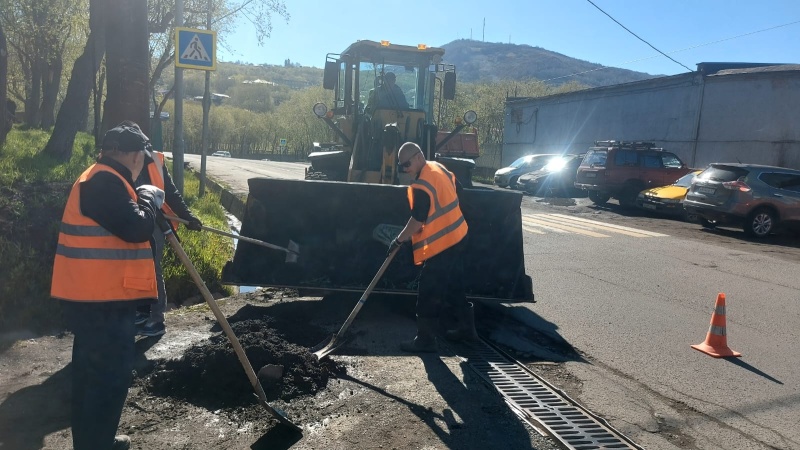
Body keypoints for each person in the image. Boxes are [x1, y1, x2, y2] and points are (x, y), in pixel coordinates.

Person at [51, 122, 165, 450]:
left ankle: (94, 441)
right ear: (131, 155)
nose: (143, 164)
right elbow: (136, 228)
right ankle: (97, 445)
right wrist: (148, 200)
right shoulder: (104, 181)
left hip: (99, 298)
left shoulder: (102, 177)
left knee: (93, 379)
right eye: (143, 157)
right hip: (103, 302)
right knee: (107, 381)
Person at [387, 142, 478, 352]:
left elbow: (417, 221)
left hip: (444, 243)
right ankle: (467, 331)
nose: (405, 169)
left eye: (407, 164)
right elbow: (460, 192)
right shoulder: (439, 168)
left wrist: (399, 240)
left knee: (429, 289)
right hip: (459, 236)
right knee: (454, 283)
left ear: (418, 157)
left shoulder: (422, 186)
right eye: (401, 166)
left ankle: (425, 340)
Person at [125, 121, 202, 337]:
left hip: (156, 225)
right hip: (130, 222)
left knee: (152, 269)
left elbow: (170, 191)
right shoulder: (119, 159)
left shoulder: (155, 160)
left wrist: (188, 217)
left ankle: (156, 319)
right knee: (134, 268)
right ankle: (141, 311)